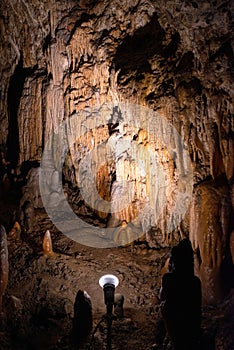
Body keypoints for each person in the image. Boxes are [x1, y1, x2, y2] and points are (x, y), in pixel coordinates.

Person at [160, 239, 202, 350]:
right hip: (190, 322)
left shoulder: (168, 279)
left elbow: (163, 298)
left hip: (175, 320)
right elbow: (198, 308)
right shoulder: (195, 281)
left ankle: (172, 340)